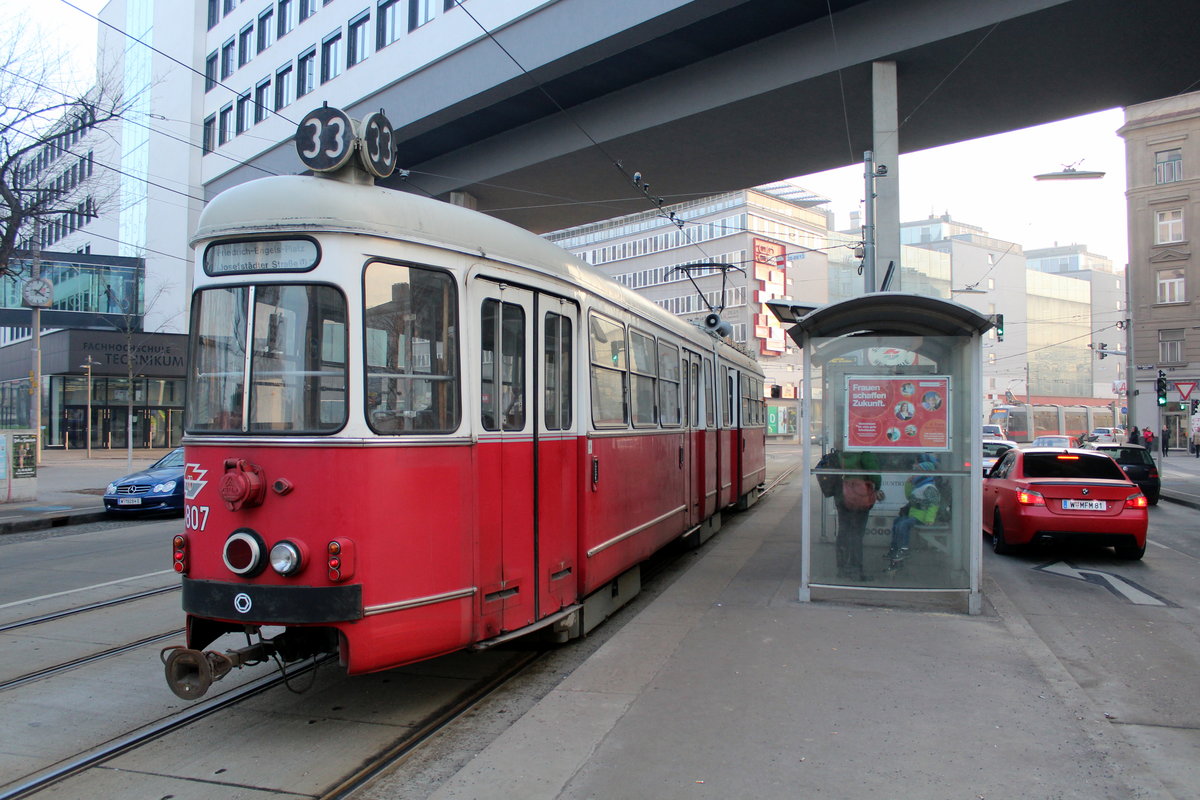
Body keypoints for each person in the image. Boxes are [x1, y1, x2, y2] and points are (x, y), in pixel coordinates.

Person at [832, 450, 882, 581]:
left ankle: (841, 569)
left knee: (843, 531)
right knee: (857, 533)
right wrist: (877, 488)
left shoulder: (840, 453)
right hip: (860, 495)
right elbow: (874, 475)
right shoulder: (864, 453)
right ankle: (856, 570)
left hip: (842, 495)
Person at [886, 454, 941, 569]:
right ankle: (894, 548)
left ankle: (903, 548)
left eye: (918, 471)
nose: (914, 473)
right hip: (914, 515)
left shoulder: (929, 487)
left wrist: (929, 519)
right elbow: (909, 497)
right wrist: (908, 484)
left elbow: (934, 504)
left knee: (903, 525)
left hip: (922, 517)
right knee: (897, 522)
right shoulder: (918, 486)